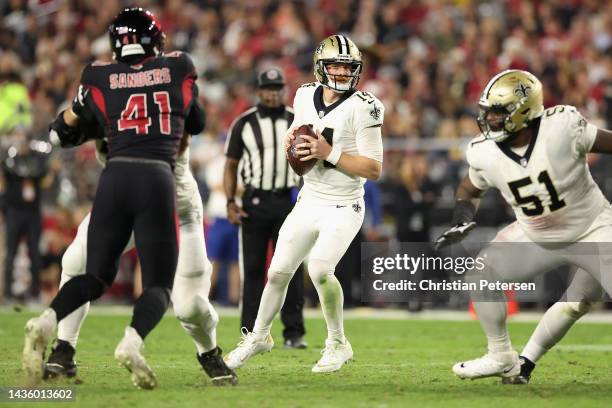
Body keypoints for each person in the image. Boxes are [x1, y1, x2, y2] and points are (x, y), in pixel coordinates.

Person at [22, 8, 234, 389]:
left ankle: (209, 351)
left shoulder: (102, 80)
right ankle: (64, 349)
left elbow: (63, 132)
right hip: (153, 185)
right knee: (75, 261)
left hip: (167, 194)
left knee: (189, 306)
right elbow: (197, 118)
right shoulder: (174, 71)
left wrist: (77, 112)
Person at [434, 69, 612, 382]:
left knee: (576, 302)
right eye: (487, 112)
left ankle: (525, 362)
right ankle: (501, 355)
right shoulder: (484, 151)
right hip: (536, 236)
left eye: (498, 112)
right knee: (481, 273)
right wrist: (462, 218)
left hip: (593, 229)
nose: (489, 119)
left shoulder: (563, 126)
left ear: (524, 110)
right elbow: (469, 188)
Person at [224, 34, 384, 373]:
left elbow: (374, 168)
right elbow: (299, 133)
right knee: (278, 271)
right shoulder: (304, 94)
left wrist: (331, 153)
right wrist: (290, 144)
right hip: (309, 198)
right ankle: (259, 336)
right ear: (320, 67)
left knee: (320, 270)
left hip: (344, 204)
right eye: (336, 66)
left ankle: (338, 343)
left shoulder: (365, 105)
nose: (342, 73)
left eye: (348, 67)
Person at [223, 68, 306, 348]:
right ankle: (250, 333)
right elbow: (231, 164)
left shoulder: (298, 119)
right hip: (254, 203)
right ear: (259, 91)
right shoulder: (244, 123)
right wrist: (230, 201)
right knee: (254, 270)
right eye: (269, 88)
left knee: (289, 268)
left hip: (287, 201)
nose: (274, 93)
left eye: (278, 88)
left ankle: (294, 333)